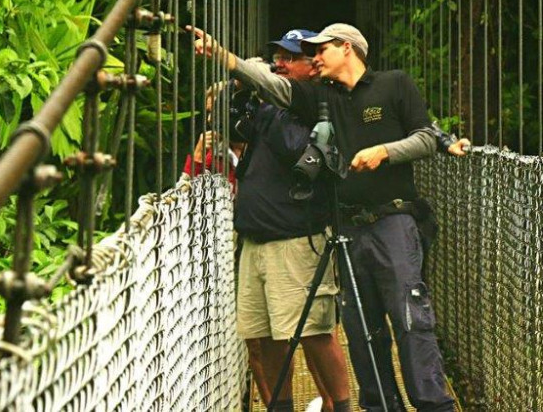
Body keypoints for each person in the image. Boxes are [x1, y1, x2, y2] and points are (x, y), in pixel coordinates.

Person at [196, 23, 458, 412]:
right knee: (361, 328)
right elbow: (276, 89)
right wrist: (225, 58)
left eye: (321, 49)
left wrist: (383, 151)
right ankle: (380, 407)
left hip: (393, 221)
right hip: (348, 227)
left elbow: (424, 137)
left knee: (409, 319)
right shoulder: (320, 97)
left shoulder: (394, 84)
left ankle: (435, 406)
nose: (315, 57)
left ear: (347, 48)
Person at [212, 29, 354, 412]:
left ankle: (340, 407)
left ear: (314, 66)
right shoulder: (269, 105)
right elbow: (226, 122)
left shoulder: (323, 102)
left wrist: (264, 100)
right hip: (255, 239)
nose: (280, 64)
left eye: (290, 58)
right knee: (263, 337)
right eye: (278, 57)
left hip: (296, 239)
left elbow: (299, 153)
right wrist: (237, 84)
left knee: (313, 332)